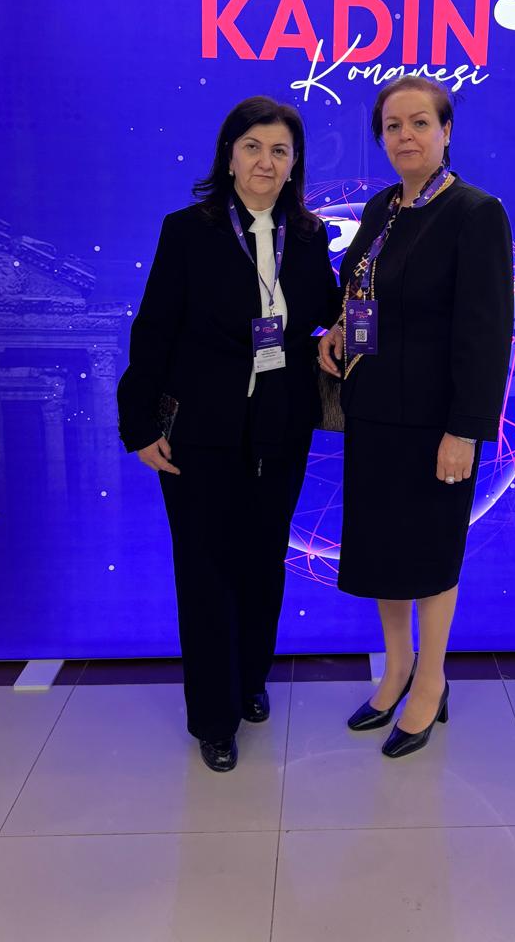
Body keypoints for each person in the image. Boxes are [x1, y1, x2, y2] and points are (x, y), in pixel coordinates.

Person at [118, 97, 340, 773]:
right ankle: (214, 718)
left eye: (279, 150)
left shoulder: (309, 237)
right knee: (206, 570)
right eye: (252, 147)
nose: (265, 162)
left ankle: (249, 680)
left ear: (295, 163)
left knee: (263, 562)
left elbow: (328, 310)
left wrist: (347, 323)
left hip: (281, 427)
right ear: (229, 155)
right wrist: (139, 423)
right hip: (201, 430)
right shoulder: (188, 231)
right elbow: (154, 329)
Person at [318, 75, 514, 758]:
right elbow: (363, 293)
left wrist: (465, 429)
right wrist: (339, 330)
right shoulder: (382, 207)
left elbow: (486, 334)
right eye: (393, 126)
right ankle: (396, 667)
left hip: (437, 425)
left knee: (430, 553)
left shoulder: (474, 212)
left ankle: (431, 681)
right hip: (374, 412)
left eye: (419, 123)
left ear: (446, 131)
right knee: (384, 552)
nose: (406, 136)